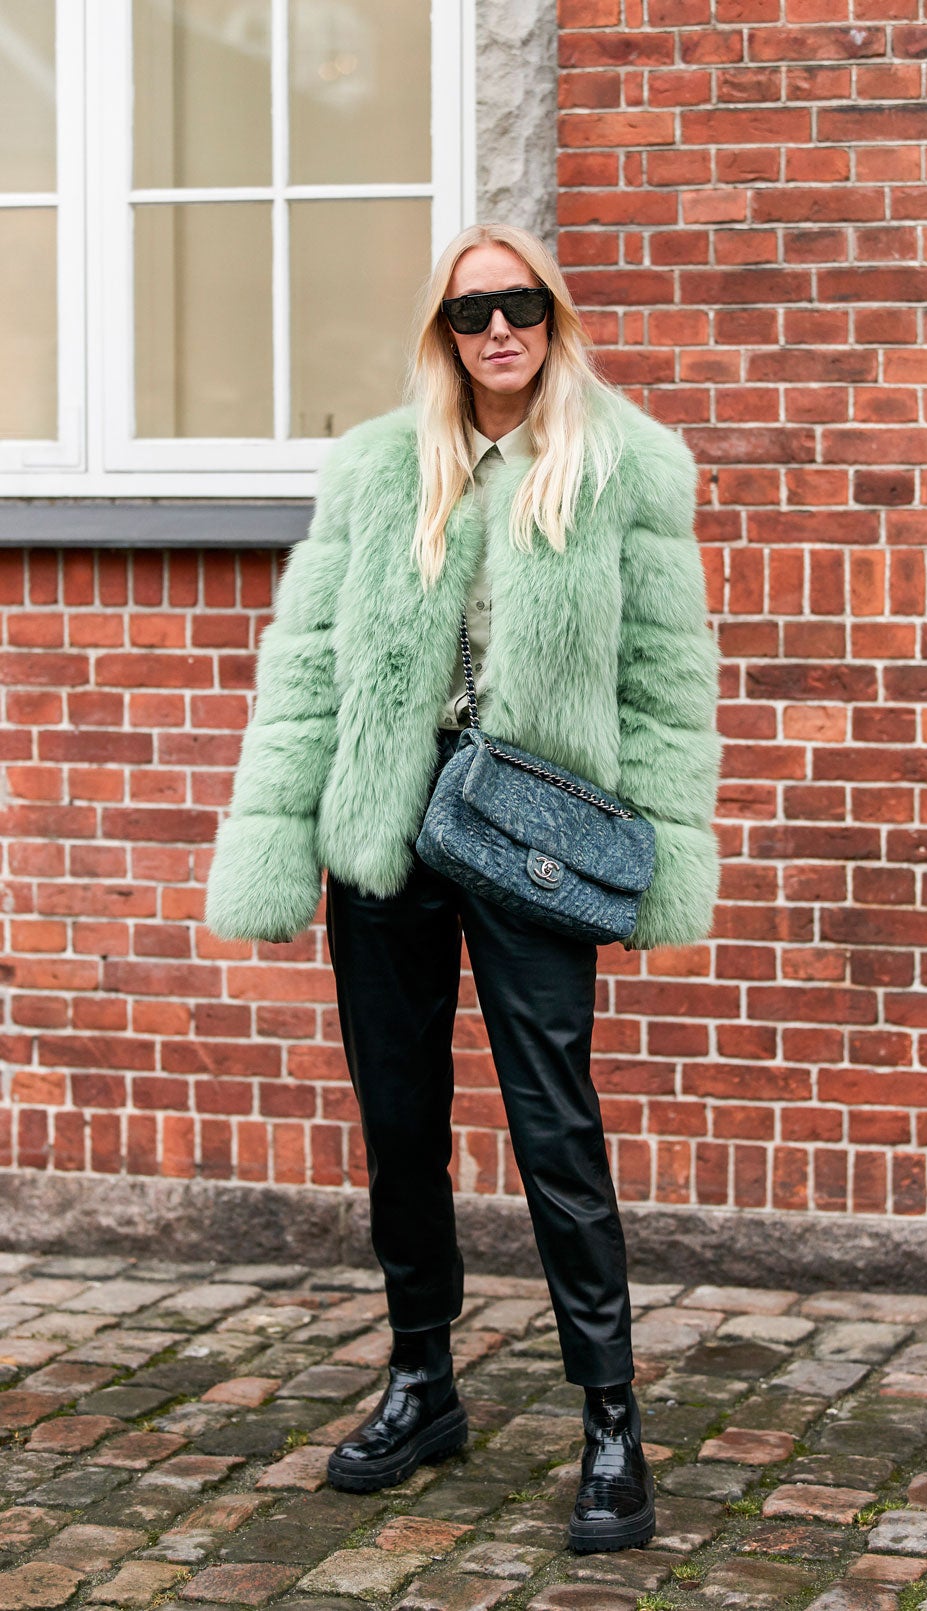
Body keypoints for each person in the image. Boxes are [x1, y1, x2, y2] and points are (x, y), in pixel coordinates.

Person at [204, 222, 721, 1553]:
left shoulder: (624, 467)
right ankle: (422, 1381)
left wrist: (657, 862)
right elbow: (307, 663)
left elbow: (665, 688)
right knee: (398, 1113)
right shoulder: (381, 468)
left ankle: (610, 1418)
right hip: (389, 824)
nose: (498, 329)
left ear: (553, 315)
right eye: (471, 312)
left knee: (554, 1121)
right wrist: (273, 833)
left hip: (533, 835)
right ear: (441, 336)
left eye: (520, 304)